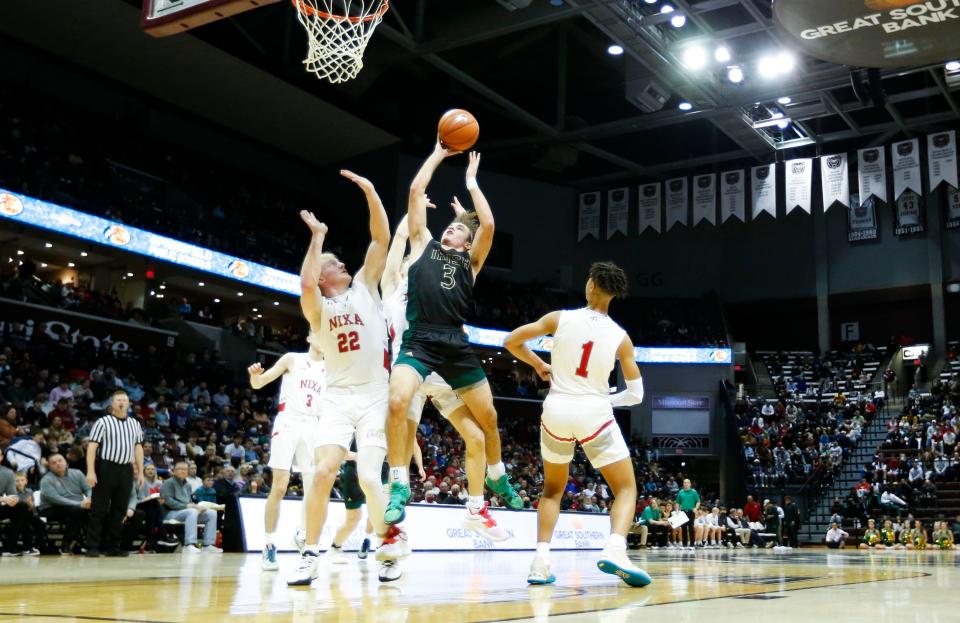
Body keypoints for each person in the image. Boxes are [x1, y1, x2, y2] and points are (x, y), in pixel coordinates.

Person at [385, 147, 519, 528]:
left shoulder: (470, 262)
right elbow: (414, 192)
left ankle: (496, 475)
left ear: (468, 240)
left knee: (489, 418)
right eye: (451, 224)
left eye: (459, 228)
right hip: (420, 339)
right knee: (397, 401)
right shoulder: (423, 244)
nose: (451, 227)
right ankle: (398, 486)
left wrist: (473, 184)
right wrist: (438, 153)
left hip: (454, 344)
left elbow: (488, 226)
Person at [505, 261, 650, 587]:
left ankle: (540, 562)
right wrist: (603, 399)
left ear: (591, 286)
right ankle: (615, 548)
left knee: (553, 490)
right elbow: (636, 394)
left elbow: (512, 342)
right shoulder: (621, 338)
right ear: (612, 295)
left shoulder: (560, 318)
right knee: (626, 488)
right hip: (594, 413)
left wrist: (538, 363)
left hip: (556, 409)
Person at [291, 170, 403, 585]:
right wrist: (317, 238)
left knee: (372, 478)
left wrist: (372, 190)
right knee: (322, 474)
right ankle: (308, 553)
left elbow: (381, 240)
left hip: (376, 394)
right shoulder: (317, 308)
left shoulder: (364, 287)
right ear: (324, 277)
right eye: (332, 263)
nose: (342, 263)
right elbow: (305, 281)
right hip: (337, 398)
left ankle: (388, 546)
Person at [246, 340, 326, 572]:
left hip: (313, 425)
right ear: (311, 337)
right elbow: (259, 383)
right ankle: (269, 544)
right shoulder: (292, 358)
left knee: (314, 488)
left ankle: (303, 534)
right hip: (288, 421)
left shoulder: (332, 369)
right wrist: (254, 376)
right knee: (280, 487)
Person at [85, 390, 145, 557]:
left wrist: (140, 472)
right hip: (106, 467)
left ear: (128, 404)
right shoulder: (103, 422)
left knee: (120, 509)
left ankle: (113, 547)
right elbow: (92, 447)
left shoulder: (135, 423)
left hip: (126, 469)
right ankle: (92, 546)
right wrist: (91, 471)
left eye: (124, 400)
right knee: (99, 508)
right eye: (118, 399)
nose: (121, 402)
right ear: (112, 403)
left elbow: (138, 448)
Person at [160, 462, 221, 553]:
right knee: (192, 512)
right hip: (170, 512)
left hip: (185, 512)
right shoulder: (168, 483)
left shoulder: (188, 485)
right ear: (174, 471)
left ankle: (208, 544)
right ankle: (189, 544)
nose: (182, 471)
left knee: (211, 513)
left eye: (185, 469)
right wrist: (188, 506)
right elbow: (168, 502)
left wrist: (197, 506)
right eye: (179, 469)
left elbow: (189, 502)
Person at [38, 453, 92, 554]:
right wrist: (78, 504)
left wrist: (89, 499)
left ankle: (97, 543)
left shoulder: (78, 473)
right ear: (49, 467)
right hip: (52, 508)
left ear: (66, 462)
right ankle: (67, 543)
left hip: (77, 507)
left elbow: (88, 488)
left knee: (98, 509)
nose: (58, 464)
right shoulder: (46, 480)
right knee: (75, 510)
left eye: (60, 460)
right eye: (54, 463)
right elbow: (56, 499)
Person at [0, 464, 33, 555]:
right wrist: (2, 499)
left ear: (2, 457)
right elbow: (4, 499)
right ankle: (28, 546)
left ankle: (11, 546)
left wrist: (17, 501)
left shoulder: (7, 473)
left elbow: (13, 495)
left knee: (22, 507)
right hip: (1, 500)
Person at [676, 479, 700, 549]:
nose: (686, 484)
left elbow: (698, 501)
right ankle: (684, 544)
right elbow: (678, 502)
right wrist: (677, 510)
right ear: (683, 484)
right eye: (684, 483)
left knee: (691, 528)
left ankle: (692, 544)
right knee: (683, 528)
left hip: (691, 511)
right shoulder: (681, 492)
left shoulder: (693, 492)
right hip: (683, 511)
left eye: (687, 483)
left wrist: (696, 508)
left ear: (690, 484)